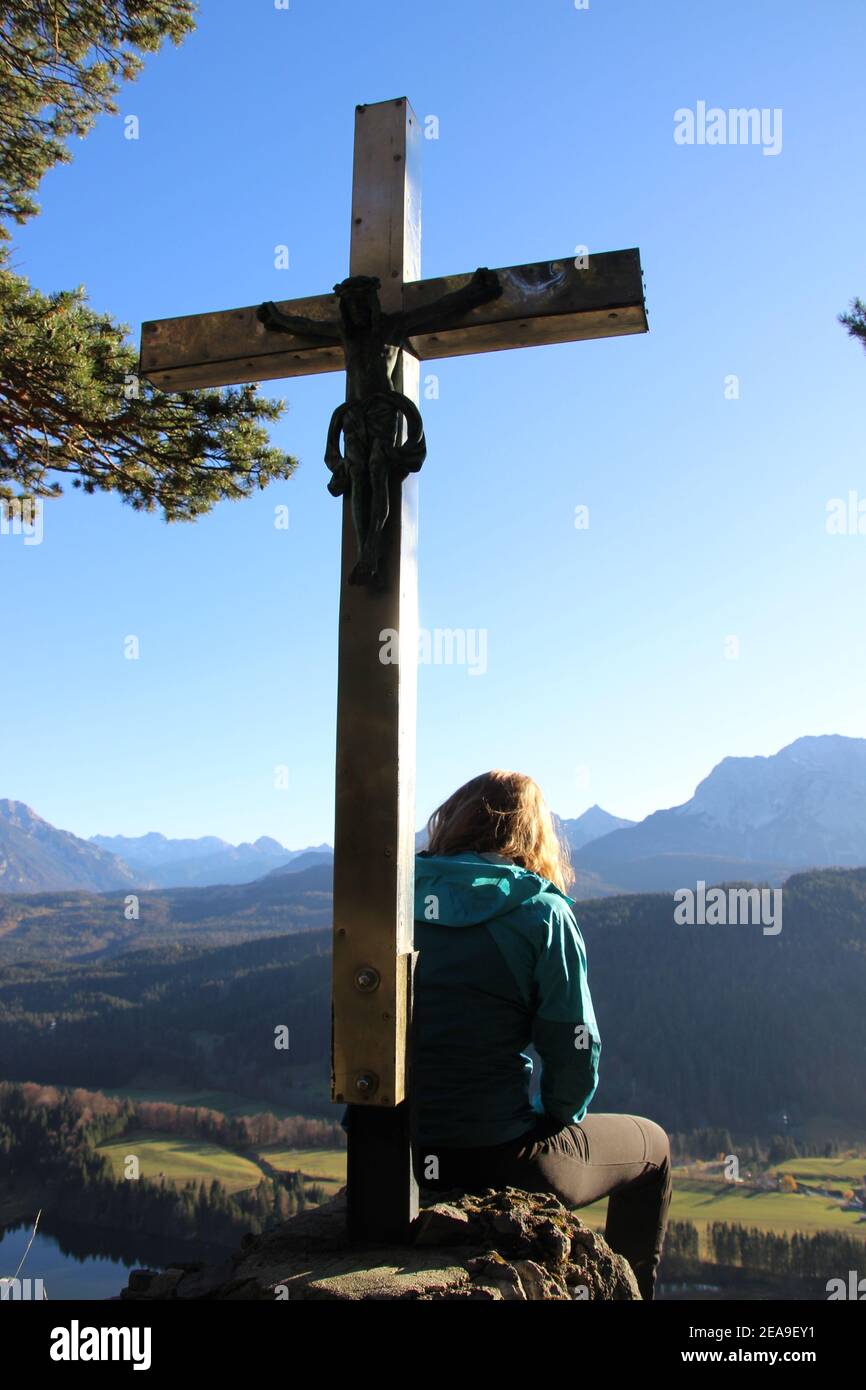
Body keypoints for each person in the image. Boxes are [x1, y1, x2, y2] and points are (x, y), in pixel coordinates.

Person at [412, 769, 672, 1300]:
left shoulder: (393, 898)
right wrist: (555, 1118)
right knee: (655, 1147)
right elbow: (575, 1047)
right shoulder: (540, 913)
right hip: (496, 1156)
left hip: (392, 1157)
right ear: (534, 835)